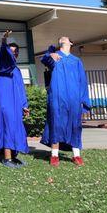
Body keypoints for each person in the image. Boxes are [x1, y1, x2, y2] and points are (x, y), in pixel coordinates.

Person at [40, 37, 91, 167]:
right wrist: (50, 53)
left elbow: (82, 81)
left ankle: (76, 155)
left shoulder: (76, 61)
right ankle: (55, 155)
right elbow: (44, 60)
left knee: (75, 125)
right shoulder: (55, 57)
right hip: (57, 97)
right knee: (56, 123)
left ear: (71, 43)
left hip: (74, 98)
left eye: (66, 37)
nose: (63, 38)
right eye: (61, 38)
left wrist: (84, 101)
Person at [0, 30, 29, 168]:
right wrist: (4, 42)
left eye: (15, 52)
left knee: (15, 127)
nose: (12, 54)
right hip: (4, 102)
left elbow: (20, 89)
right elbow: (3, 54)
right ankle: (7, 158)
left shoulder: (17, 70)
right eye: (10, 51)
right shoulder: (2, 66)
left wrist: (24, 105)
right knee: (7, 126)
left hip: (15, 103)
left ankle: (13, 156)